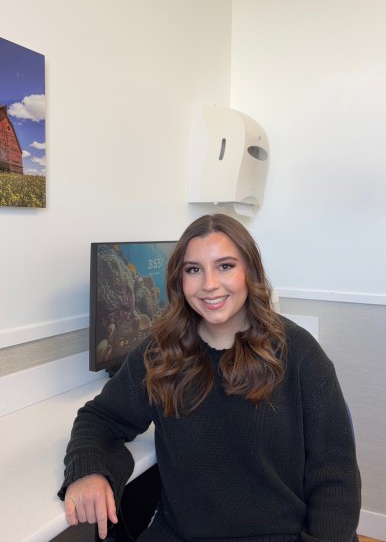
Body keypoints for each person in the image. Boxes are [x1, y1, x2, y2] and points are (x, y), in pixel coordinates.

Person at [58, 214, 361, 541]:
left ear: (249, 272)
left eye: (225, 266)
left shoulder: (298, 352)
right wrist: (89, 471)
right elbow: (99, 417)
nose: (210, 284)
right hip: (182, 534)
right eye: (194, 270)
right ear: (180, 279)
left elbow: (336, 479)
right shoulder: (161, 353)